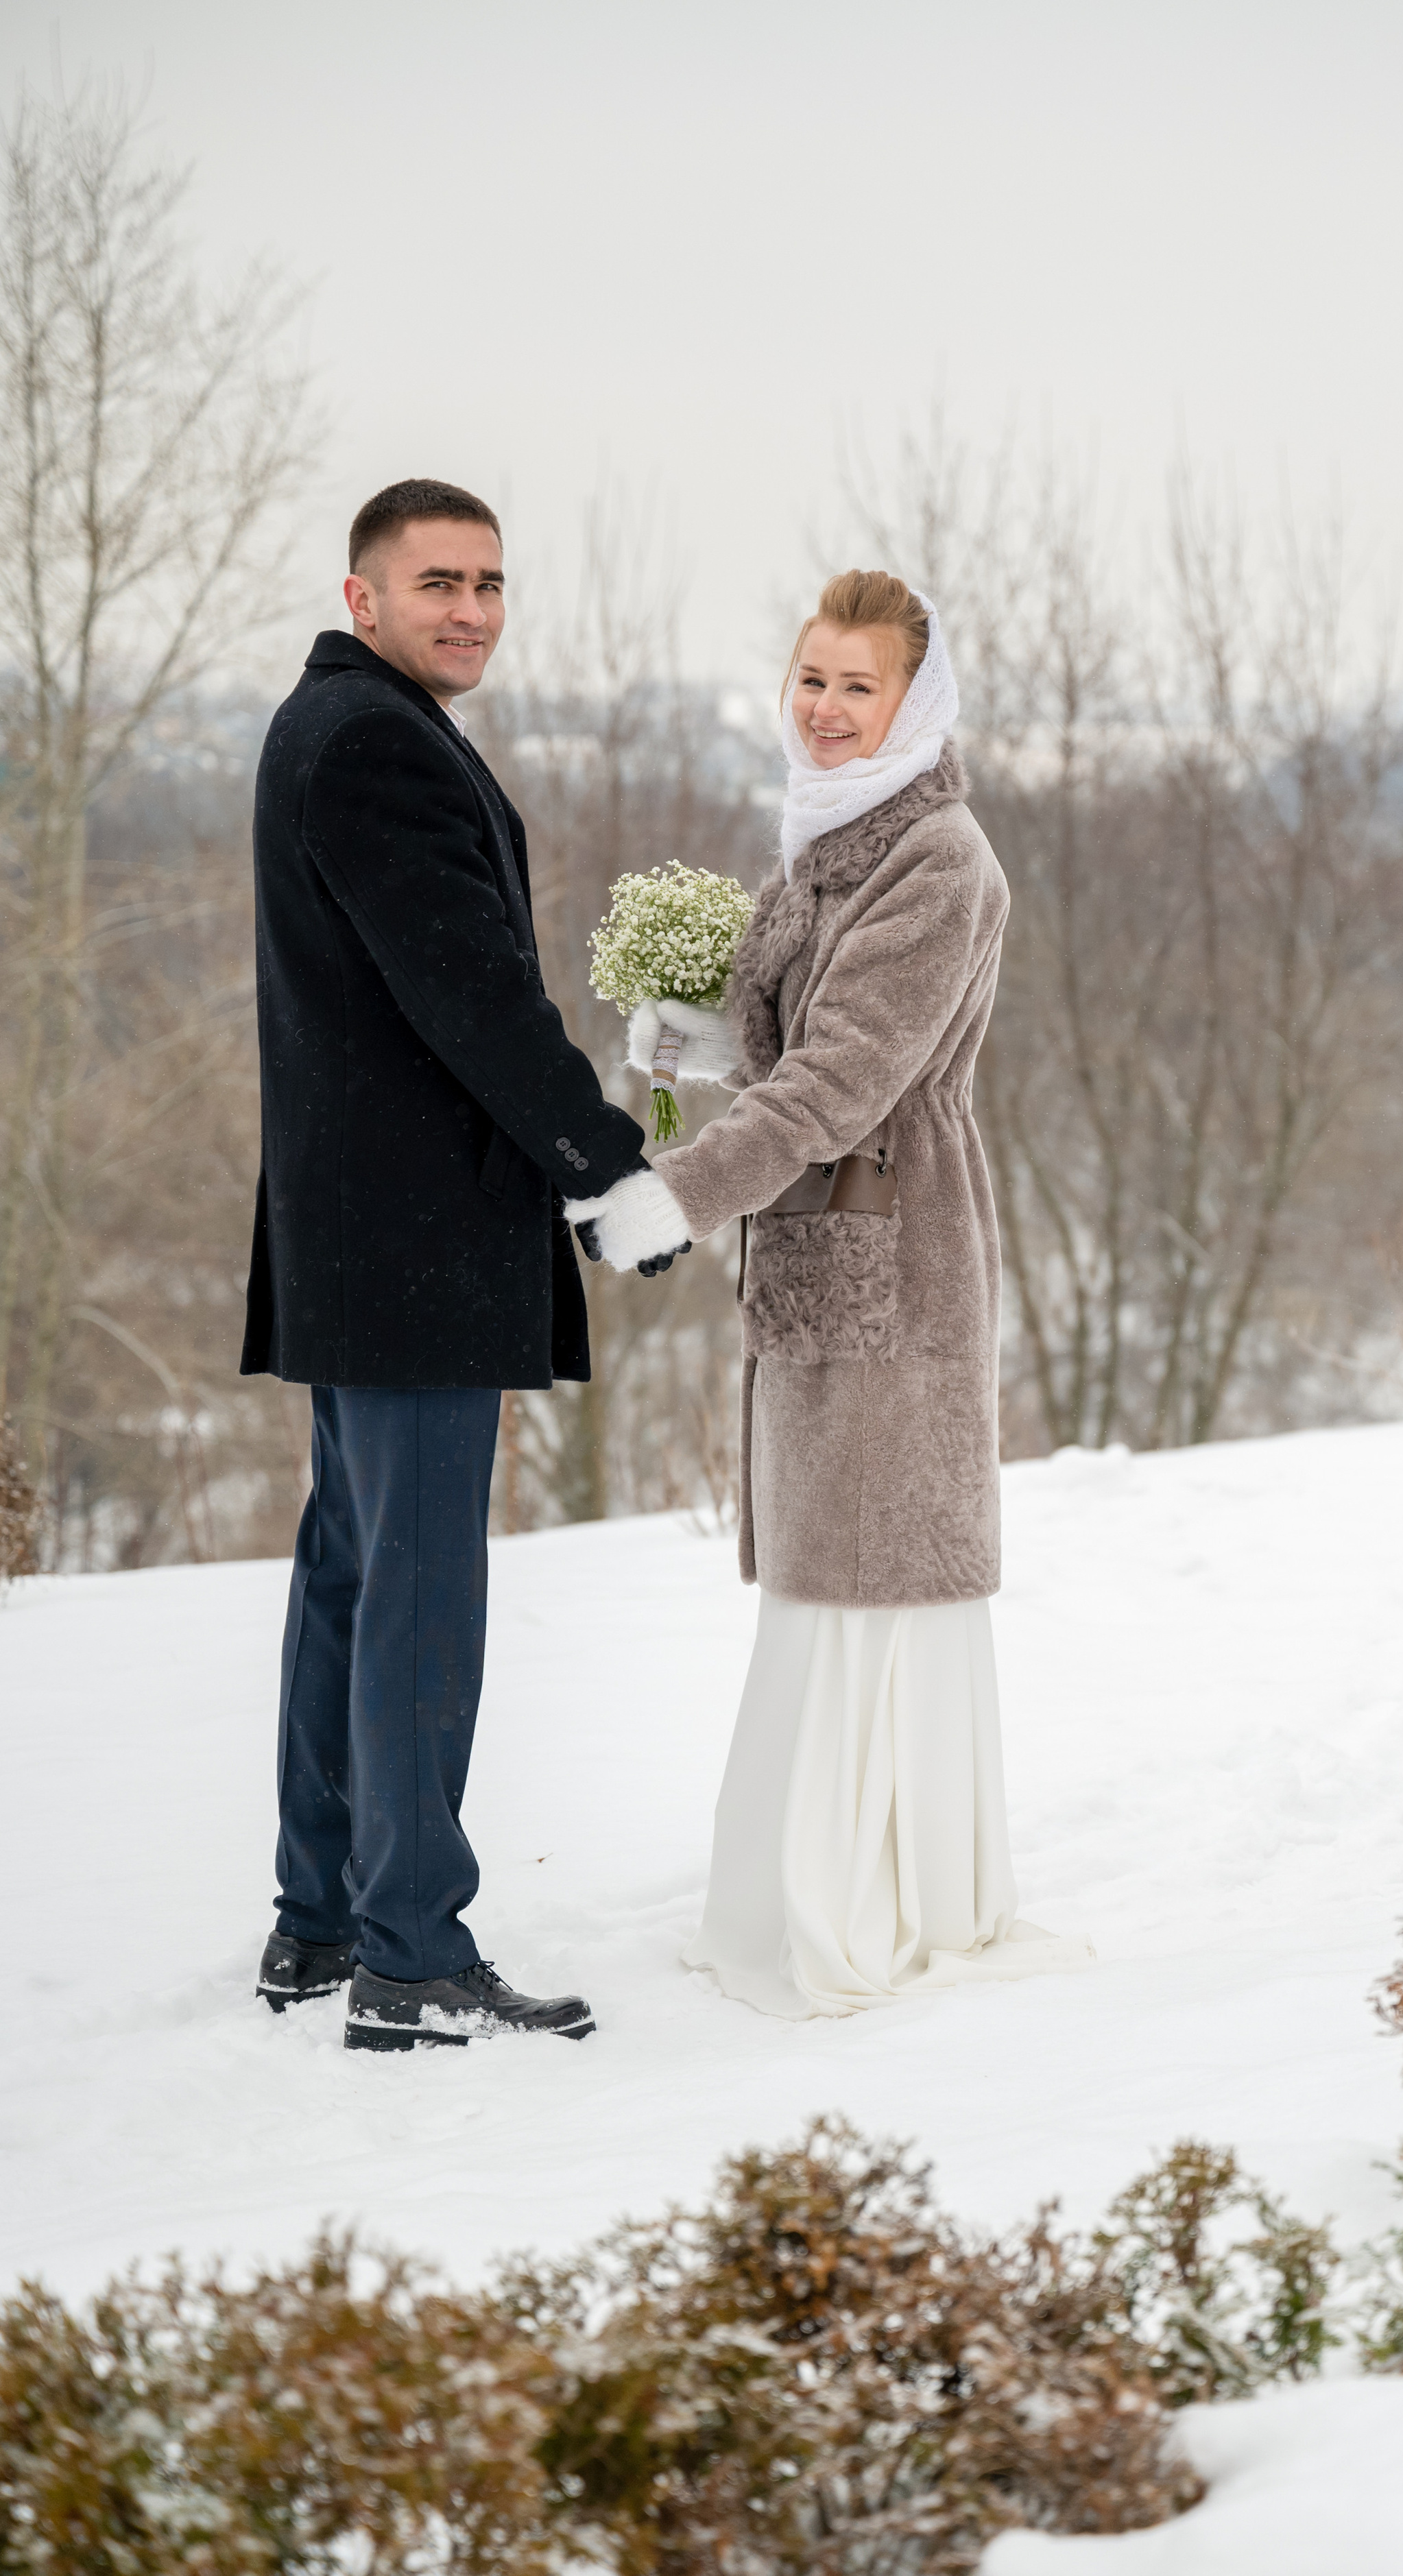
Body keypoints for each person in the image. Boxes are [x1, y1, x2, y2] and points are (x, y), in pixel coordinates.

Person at [573, 570, 1090, 2016]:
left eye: (854, 686)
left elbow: (849, 1077)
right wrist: (702, 1032)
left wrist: (677, 1190)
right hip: (817, 1241)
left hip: (900, 1250)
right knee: (823, 1571)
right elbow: (796, 1044)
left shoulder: (938, 859)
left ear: (912, 704)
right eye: (809, 676)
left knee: (878, 1566)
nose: (822, 705)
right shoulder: (822, 844)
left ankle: (876, 1898)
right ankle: (797, 1885)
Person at [243, 477, 666, 2051]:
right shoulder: (370, 742)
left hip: (359, 1243)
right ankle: (409, 1947)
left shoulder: (334, 722)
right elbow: (472, 996)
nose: (471, 608)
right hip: (413, 1249)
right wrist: (606, 1162)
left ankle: (320, 1918)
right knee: (414, 1600)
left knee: (353, 1583)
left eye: (490, 582)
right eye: (438, 582)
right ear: (364, 594)